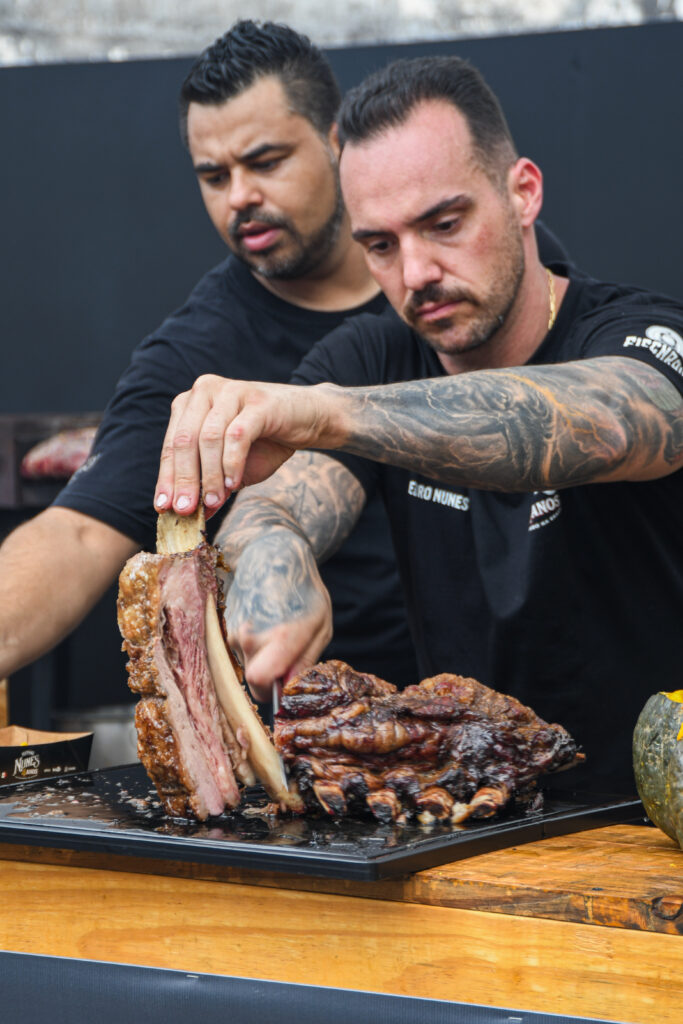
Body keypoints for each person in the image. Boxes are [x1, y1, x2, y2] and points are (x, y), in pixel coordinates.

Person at [154, 55, 683, 794]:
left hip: (644, 826)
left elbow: (611, 420)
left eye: (444, 223)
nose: (415, 272)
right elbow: (277, 502)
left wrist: (329, 412)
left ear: (522, 193)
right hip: (468, 821)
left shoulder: (634, 331)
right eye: (379, 244)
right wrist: (274, 555)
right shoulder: (372, 353)